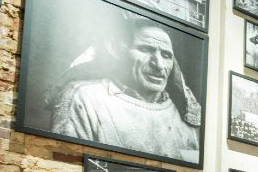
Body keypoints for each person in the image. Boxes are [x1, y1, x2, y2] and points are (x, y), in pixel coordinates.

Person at [49, 17, 201, 164]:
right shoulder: (84, 97)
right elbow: (67, 165)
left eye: (166, 55)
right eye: (145, 49)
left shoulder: (186, 115)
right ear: (115, 49)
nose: (159, 65)